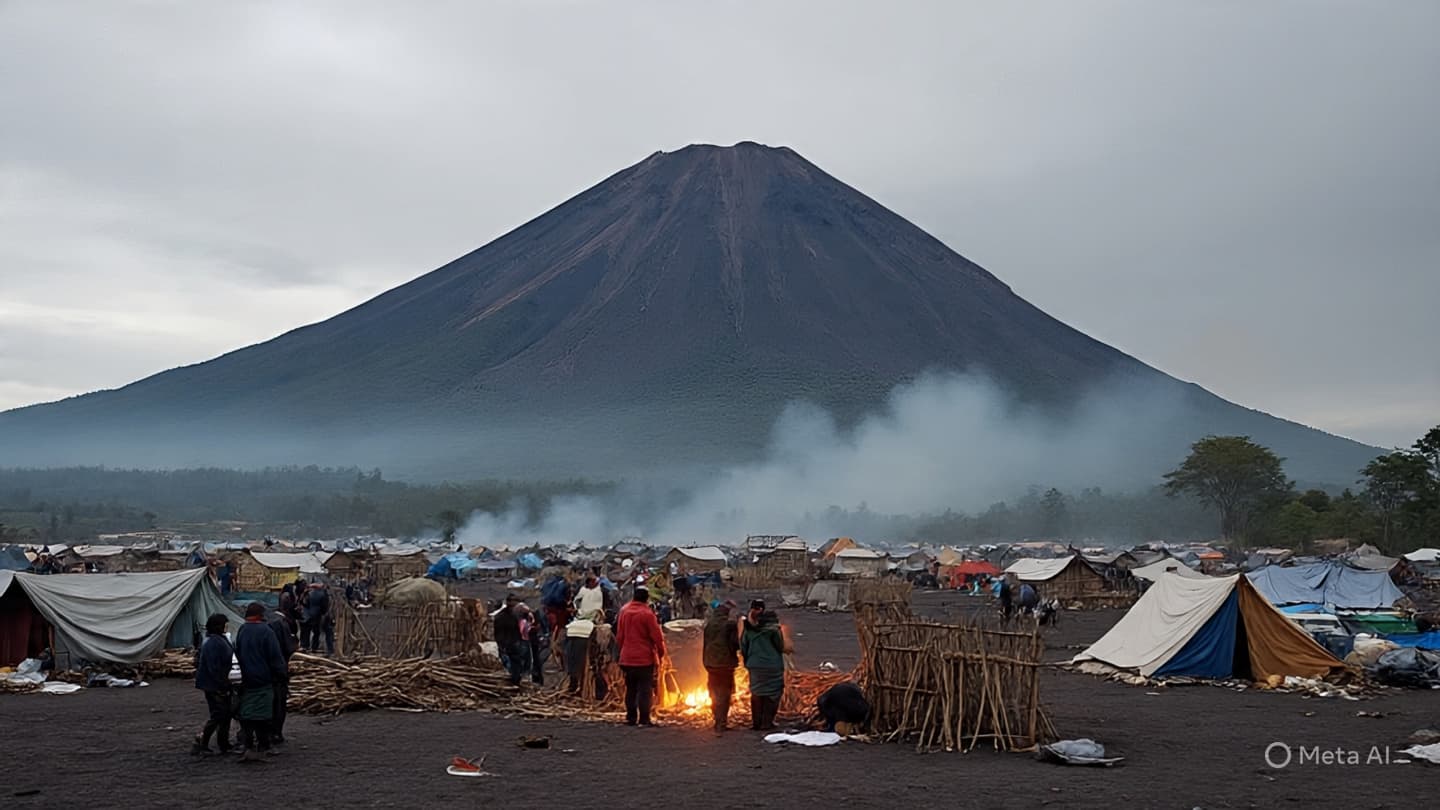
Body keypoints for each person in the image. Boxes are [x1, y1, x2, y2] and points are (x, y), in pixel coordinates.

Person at [234, 602, 287, 762]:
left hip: (247, 679)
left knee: (247, 714)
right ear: (260, 615)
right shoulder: (266, 631)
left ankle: (248, 744)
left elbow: (238, 651)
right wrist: (282, 673)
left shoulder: (243, 630)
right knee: (263, 714)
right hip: (263, 679)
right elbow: (275, 656)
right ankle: (264, 745)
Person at [615, 586, 665, 726]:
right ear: (647, 598)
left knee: (630, 689)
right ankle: (644, 719)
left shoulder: (624, 611)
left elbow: (619, 636)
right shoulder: (647, 614)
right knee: (644, 690)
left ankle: (631, 718)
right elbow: (657, 637)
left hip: (626, 658)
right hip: (644, 659)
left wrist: (621, 652)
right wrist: (661, 654)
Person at [192, 613, 234, 755]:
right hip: (213, 684)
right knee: (218, 714)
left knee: (225, 714)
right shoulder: (213, 643)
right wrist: (222, 685)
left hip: (218, 682)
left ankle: (224, 743)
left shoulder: (220, 639)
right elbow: (214, 667)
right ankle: (202, 742)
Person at [741, 609, 787, 731]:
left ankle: (756, 723)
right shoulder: (775, 630)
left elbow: (744, 647)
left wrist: (748, 660)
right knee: (773, 694)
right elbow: (780, 646)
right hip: (772, 666)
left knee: (757, 693)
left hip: (755, 666)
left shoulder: (749, 630)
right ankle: (767, 723)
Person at [702, 600, 740, 733]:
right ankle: (721, 723)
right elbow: (735, 644)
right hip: (725, 664)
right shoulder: (730, 625)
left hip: (710, 663)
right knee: (724, 693)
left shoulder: (709, 625)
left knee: (713, 690)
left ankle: (716, 717)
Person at [267, 609, 299, 747]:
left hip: (264, 674)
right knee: (278, 704)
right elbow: (289, 648)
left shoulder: (263, 625)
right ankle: (275, 733)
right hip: (278, 673)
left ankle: (266, 733)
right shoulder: (281, 625)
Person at [493, 595, 528, 686]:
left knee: (517, 663)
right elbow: (498, 633)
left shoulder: (515, 615)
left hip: (515, 643)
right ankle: (512, 681)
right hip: (507, 644)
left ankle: (515, 681)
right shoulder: (501, 617)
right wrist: (501, 644)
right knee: (509, 664)